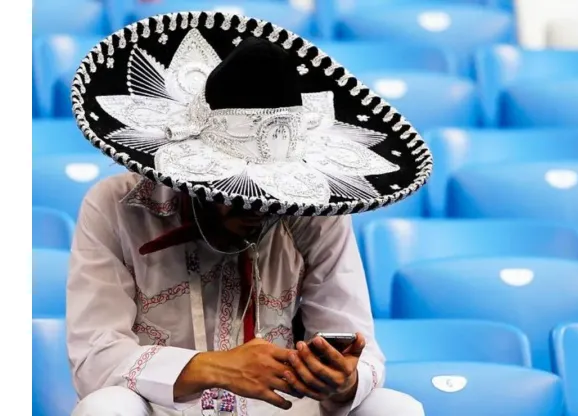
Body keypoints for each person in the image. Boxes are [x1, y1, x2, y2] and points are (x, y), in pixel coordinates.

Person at [65, 10, 432, 416]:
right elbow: (93, 359)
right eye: (240, 191)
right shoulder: (114, 205)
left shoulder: (317, 216)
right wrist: (211, 368)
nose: (259, 206)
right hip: (164, 406)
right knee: (106, 406)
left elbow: (358, 349)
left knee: (393, 407)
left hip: (281, 406)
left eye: (273, 192)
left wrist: (342, 381)